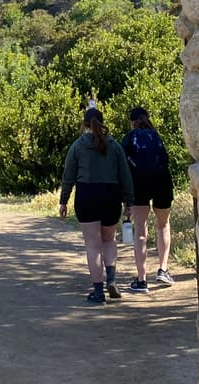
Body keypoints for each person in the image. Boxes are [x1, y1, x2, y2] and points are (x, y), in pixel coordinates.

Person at [59, 106, 133, 304]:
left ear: (85, 124)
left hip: (87, 194)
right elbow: (125, 175)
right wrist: (129, 201)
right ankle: (111, 279)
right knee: (109, 240)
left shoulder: (77, 146)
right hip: (111, 195)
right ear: (102, 122)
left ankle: (98, 291)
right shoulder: (115, 146)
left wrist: (63, 200)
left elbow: (69, 176)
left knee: (93, 245)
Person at [121, 106, 174, 291]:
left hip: (138, 185)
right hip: (161, 183)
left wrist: (125, 198)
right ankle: (163, 269)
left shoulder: (129, 138)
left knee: (140, 232)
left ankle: (142, 280)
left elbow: (123, 168)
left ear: (132, 122)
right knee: (163, 225)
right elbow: (166, 162)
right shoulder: (156, 136)